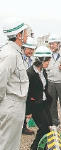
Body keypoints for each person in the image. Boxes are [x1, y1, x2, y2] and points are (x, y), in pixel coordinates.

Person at [0, 18, 32, 150]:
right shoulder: (10, 54)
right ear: (19, 35)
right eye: (25, 32)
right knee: (8, 145)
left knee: (12, 143)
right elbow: (1, 79)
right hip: (11, 104)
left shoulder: (15, 52)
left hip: (15, 104)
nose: (28, 35)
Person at [26, 46, 53, 150]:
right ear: (40, 60)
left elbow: (44, 87)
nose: (48, 63)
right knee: (44, 128)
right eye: (47, 61)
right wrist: (28, 112)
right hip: (35, 105)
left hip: (44, 103)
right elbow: (27, 93)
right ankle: (34, 147)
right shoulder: (30, 74)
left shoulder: (43, 71)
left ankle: (44, 146)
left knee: (49, 125)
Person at [22, 37, 37, 135]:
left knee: (27, 106)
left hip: (30, 87)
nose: (31, 51)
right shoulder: (18, 58)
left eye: (32, 49)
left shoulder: (34, 60)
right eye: (29, 49)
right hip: (20, 87)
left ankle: (24, 127)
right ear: (23, 48)